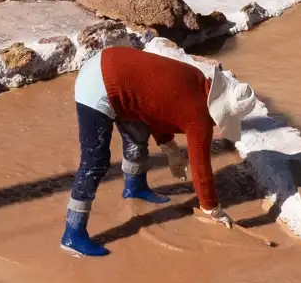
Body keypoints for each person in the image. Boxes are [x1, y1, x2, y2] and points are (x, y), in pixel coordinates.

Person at [62, 44, 257, 258]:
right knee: (95, 162)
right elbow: (201, 167)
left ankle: (135, 188)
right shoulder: (199, 118)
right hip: (98, 87)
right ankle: (73, 234)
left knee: (137, 135)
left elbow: (154, 107)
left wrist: (169, 147)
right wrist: (211, 207)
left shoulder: (196, 78)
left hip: (110, 62)